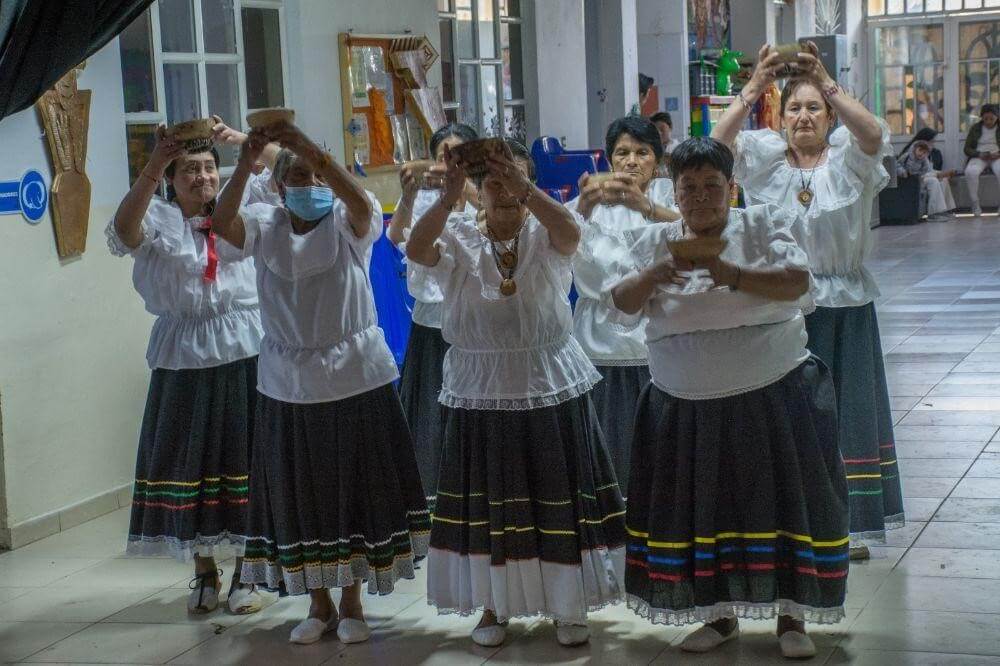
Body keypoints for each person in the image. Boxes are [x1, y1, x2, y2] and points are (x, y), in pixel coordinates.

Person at [612, 137, 849, 660]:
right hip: (683, 401)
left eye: (711, 187)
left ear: (731, 189)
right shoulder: (653, 242)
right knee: (704, 511)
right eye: (688, 188)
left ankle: (793, 616)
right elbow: (622, 303)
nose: (700, 199)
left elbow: (796, 283)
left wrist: (732, 275)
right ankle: (717, 618)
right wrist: (655, 273)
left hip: (773, 393)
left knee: (787, 504)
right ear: (673, 193)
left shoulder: (762, 225)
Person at [210, 121, 429, 645]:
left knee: (351, 490)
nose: (309, 184)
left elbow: (359, 202)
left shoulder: (349, 221)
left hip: (356, 376)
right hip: (290, 382)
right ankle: (318, 601)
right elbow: (223, 223)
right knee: (302, 494)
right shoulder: (265, 223)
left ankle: (353, 601)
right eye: (298, 176)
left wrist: (315, 150)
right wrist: (247, 161)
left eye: (316, 174)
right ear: (280, 186)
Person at [406, 139, 627, 649]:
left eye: (514, 180)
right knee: (489, 501)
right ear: (478, 191)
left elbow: (572, 233)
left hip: (547, 378)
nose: (503, 190)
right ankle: (492, 606)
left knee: (558, 495)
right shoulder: (459, 233)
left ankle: (568, 606)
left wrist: (527, 188)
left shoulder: (544, 230)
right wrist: (447, 198)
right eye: (493, 183)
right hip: (479, 385)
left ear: (529, 184)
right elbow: (417, 251)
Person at [712, 42, 902, 560]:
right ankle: (791, 522)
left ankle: (847, 524)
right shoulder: (764, 157)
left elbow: (874, 132)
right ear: (780, 115)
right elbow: (715, 144)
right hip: (780, 304)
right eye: (794, 107)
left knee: (844, 412)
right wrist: (753, 88)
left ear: (829, 114)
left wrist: (825, 79)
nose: (803, 116)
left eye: (813, 107)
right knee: (787, 414)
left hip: (844, 305)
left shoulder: (847, 156)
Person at [106, 119, 277, 616]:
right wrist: (155, 161)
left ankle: (250, 569)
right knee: (191, 461)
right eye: (190, 171)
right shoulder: (159, 221)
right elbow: (123, 230)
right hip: (183, 355)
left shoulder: (242, 208)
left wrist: (240, 144)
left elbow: (282, 169)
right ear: (172, 180)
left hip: (244, 348)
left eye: (208, 169)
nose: (202, 178)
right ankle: (203, 569)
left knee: (245, 461)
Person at [568, 115, 679, 493]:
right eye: (622, 153)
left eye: (642, 153)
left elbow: (697, 232)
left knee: (661, 446)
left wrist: (646, 206)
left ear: (657, 159)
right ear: (609, 159)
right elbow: (555, 240)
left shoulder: (670, 196)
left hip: (657, 338)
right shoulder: (589, 200)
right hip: (599, 343)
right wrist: (582, 206)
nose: (632, 161)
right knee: (608, 440)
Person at [387, 123, 479, 507]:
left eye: (460, 155)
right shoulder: (426, 199)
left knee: (470, 410)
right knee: (428, 414)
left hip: (472, 324)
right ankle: (429, 496)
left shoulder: (483, 197)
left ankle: (472, 487)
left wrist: (465, 187)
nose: (450, 162)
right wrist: (408, 193)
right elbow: (395, 236)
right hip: (428, 323)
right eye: (444, 155)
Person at [897, 139, 956, 221]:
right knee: (933, 181)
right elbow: (897, 166)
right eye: (920, 150)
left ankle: (944, 210)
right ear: (915, 149)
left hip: (921, 178)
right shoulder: (906, 156)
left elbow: (928, 171)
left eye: (924, 152)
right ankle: (933, 213)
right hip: (911, 180)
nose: (921, 154)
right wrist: (903, 172)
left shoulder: (924, 160)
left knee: (943, 180)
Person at [963, 103, 1000, 216]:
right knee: (970, 172)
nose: (988, 121)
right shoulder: (975, 128)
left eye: (991, 118)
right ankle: (975, 204)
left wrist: (998, 153)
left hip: (997, 156)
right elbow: (967, 148)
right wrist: (979, 154)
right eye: (985, 119)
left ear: (997, 116)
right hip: (980, 156)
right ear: (981, 118)